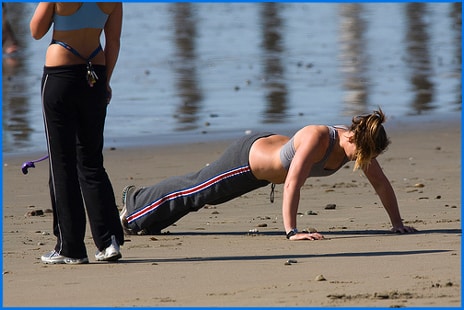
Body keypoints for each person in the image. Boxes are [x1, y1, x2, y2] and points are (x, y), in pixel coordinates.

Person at [120, 109, 417, 240]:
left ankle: (148, 222)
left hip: (262, 170)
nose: (364, 164)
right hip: (247, 159)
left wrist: (397, 224)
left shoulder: (358, 144)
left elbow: (380, 183)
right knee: (197, 190)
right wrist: (292, 231)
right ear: (354, 140)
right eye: (365, 157)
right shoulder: (318, 138)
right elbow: (292, 184)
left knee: (202, 199)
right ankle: (133, 208)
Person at [30, 2, 124, 264]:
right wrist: (105, 83)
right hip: (94, 74)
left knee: (62, 163)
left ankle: (70, 247)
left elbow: (36, 32)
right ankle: (109, 241)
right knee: (92, 161)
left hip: (60, 75)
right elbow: (113, 41)